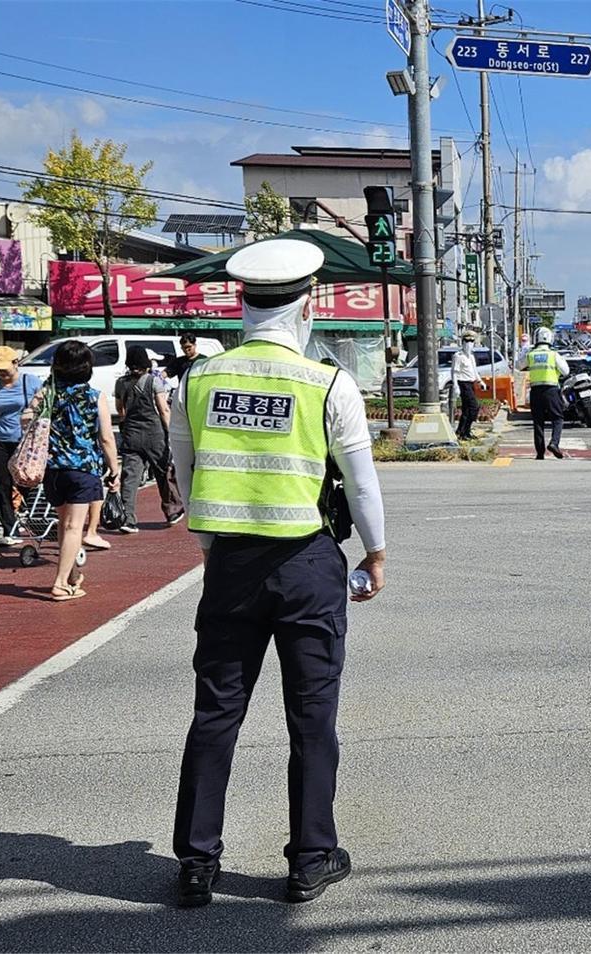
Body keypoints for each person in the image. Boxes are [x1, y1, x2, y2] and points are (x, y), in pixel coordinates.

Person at [168, 238, 386, 908]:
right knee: (312, 716)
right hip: (307, 564)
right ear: (307, 307)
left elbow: (186, 476)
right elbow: (361, 483)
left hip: (230, 563)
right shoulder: (327, 383)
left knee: (216, 712)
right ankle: (310, 860)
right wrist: (376, 552)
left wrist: (212, 547)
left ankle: (197, 863)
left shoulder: (197, 380)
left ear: (242, 305)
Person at [22, 341, 121, 600]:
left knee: (65, 525)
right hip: (82, 468)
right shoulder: (95, 396)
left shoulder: (46, 393)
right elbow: (107, 438)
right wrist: (114, 468)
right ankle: (60, 583)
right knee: (74, 527)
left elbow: (26, 419)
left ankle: (73, 575)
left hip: (52, 469)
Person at [114, 344, 184, 533]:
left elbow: (120, 409)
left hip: (131, 434)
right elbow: (163, 410)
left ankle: (127, 519)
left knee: (130, 477)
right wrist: (170, 433)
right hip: (155, 434)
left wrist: (126, 423)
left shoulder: (121, 383)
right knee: (163, 472)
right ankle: (172, 511)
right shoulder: (153, 382)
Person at [0, 346, 37, 545]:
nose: (1, 374)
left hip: (25, 441)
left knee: (28, 482)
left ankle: (36, 520)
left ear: (16, 363)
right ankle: (10, 530)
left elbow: (43, 409)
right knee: (2, 486)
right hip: (0, 440)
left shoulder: (31, 382)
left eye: (4, 369)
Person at [521, 326, 569, 460]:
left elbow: (519, 366)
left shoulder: (531, 354)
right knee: (557, 418)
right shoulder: (554, 354)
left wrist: (525, 350)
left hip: (536, 391)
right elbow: (566, 371)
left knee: (538, 422)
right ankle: (554, 443)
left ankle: (540, 453)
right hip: (551, 390)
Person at [453, 330, 481, 440]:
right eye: (467, 341)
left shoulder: (471, 356)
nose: (469, 344)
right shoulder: (458, 356)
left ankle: (463, 431)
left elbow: (474, 371)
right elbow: (454, 372)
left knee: (467, 409)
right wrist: (455, 386)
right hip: (463, 384)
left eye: (472, 341)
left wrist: (480, 381)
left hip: (471, 383)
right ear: (463, 342)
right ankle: (464, 430)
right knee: (474, 406)